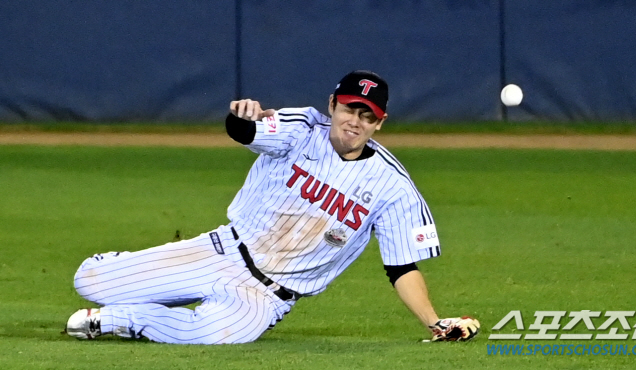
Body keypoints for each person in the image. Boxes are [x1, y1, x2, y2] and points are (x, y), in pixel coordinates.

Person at [65, 70, 480, 344]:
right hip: (219, 251)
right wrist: (243, 117)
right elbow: (245, 132)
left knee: (214, 332)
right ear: (332, 104)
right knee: (90, 280)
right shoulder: (302, 128)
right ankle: (138, 283)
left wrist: (434, 321)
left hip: (266, 297)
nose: (355, 121)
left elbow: (401, 267)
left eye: (366, 116)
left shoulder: (393, 186)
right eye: (349, 108)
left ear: (379, 123)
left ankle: (118, 321)